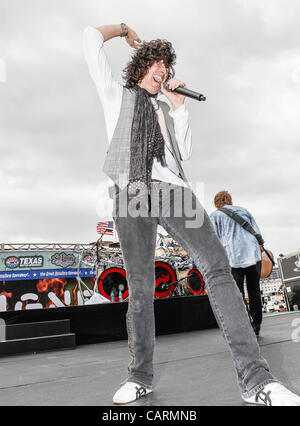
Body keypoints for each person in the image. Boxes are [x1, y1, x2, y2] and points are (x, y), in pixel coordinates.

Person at [82, 23, 300, 406]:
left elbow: (184, 152)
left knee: (217, 265)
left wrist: (180, 109)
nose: (163, 70)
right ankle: (140, 376)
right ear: (141, 67)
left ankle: (257, 380)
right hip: (129, 189)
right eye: (156, 63)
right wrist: (123, 30)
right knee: (141, 286)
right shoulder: (115, 96)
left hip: (173, 191)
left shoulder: (167, 109)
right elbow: (88, 37)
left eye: (166, 66)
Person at [209, 191, 264, 337]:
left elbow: (214, 240)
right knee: (254, 291)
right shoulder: (244, 210)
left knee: (238, 294)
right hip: (253, 255)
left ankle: (245, 326)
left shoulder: (215, 216)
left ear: (216, 202)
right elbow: (258, 233)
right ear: (230, 200)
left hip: (234, 258)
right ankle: (256, 325)